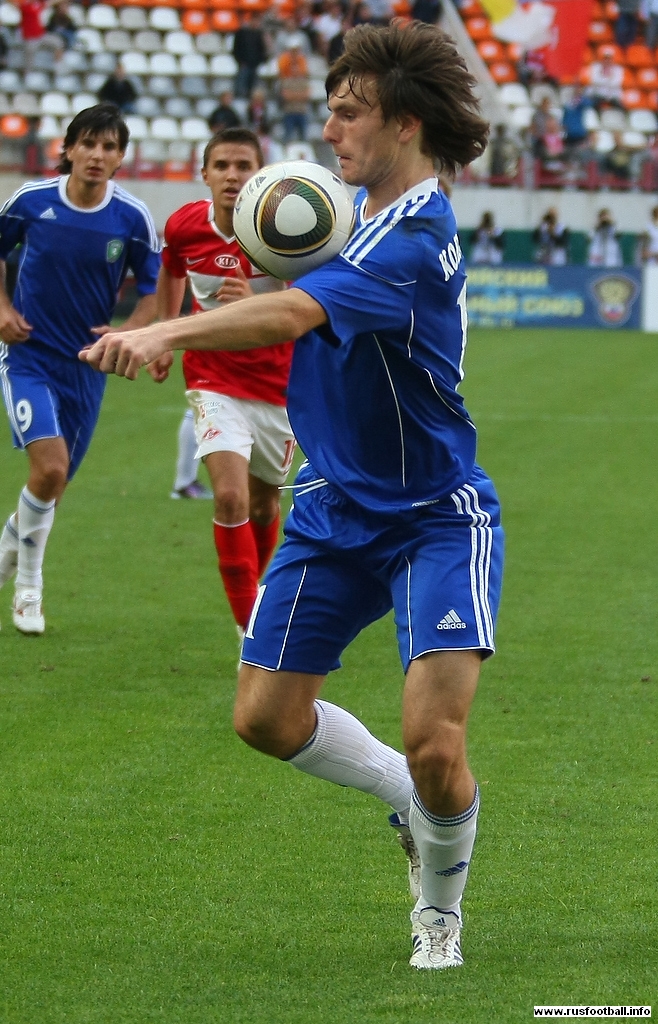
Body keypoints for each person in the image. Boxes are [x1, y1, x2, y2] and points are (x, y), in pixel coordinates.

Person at [80, 22, 503, 972]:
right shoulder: (351, 215)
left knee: (437, 742)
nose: (331, 129)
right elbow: (294, 280)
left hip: (436, 514)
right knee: (266, 719)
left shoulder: (417, 235)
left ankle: (438, 915)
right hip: (334, 505)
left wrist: (166, 333)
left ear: (403, 123)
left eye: (349, 114)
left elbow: (298, 308)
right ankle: (406, 799)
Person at [0, 103, 160, 634]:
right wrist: (2, 308)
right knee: (49, 470)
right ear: (68, 149)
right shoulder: (31, 201)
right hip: (28, 357)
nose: (97, 154)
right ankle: (29, 591)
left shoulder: (131, 218)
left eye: (109, 146)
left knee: (53, 485)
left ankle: (5, 562)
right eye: (88, 143)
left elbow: (152, 294)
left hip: (87, 370)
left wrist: (128, 333)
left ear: (120, 158)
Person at [151, 127, 295, 635]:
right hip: (212, 378)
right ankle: (249, 631)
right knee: (230, 498)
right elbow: (171, 271)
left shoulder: (287, 230)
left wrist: (256, 305)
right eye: (222, 166)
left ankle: (252, 595)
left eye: (243, 166)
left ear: (261, 174)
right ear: (205, 174)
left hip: (279, 387)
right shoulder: (185, 226)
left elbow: (311, 302)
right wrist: (164, 335)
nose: (233, 176)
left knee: (264, 506)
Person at [277, 35, 311, 144]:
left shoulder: (303, 79)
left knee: (304, 138)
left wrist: (293, 95)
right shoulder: (284, 61)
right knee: (288, 137)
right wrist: (299, 95)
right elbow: (286, 96)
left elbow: (307, 95)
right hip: (289, 111)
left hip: (301, 111)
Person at [232, 12, 268, 100]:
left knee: (254, 87)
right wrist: (240, 61)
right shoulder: (241, 33)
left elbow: (263, 50)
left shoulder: (259, 34)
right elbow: (236, 49)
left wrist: (260, 61)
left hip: (255, 64)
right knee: (241, 85)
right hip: (244, 64)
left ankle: (251, 100)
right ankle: (240, 99)